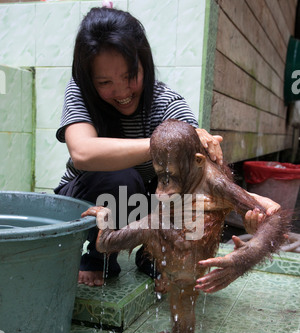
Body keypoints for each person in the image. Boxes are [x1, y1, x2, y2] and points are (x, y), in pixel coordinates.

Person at [55, 6, 280, 289]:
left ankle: (153, 255)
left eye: (130, 76)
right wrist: (163, 145)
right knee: (122, 179)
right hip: (89, 197)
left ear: (144, 64)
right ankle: (98, 257)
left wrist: (252, 203)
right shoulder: (80, 92)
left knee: (188, 201)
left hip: (147, 206)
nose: (122, 91)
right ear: (90, 80)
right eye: (105, 83)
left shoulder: (168, 103)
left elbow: (205, 177)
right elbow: (83, 153)